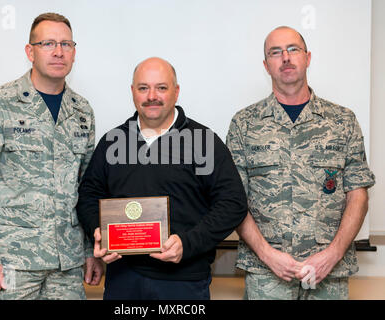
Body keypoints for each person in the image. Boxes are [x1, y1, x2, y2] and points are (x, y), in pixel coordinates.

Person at [0, 12, 103, 300]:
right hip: (12, 262)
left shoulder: (82, 111)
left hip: (68, 264)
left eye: (66, 44)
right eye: (48, 43)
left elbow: (87, 188)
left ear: (74, 53)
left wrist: (89, 250)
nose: (59, 51)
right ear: (30, 52)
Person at [76, 57, 248, 300]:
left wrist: (187, 244)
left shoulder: (204, 142)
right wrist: (99, 230)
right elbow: (88, 196)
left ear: (176, 92)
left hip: (184, 283)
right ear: (133, 92)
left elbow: (233, 203)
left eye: (162, 88)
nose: (152, 96)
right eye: (143, 88)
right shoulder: (112, 142)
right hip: (123, 280)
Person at [227, 26, 375, 299]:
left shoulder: (342, 121)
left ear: (307, 57)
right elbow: (234, 200)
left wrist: (333, 255)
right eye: (275, 52)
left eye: (293, 49)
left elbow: (358, 196)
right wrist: (268, 255)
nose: (285, 57)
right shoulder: (244, 124)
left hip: (329, 272)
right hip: (266, 275)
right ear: (266, 65)